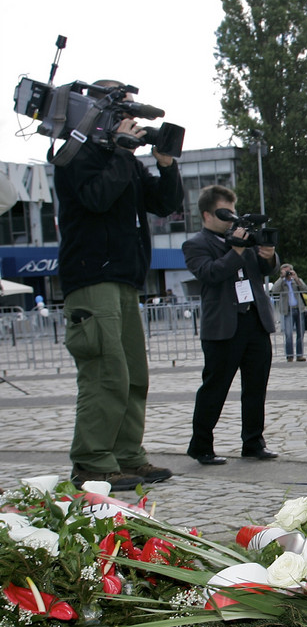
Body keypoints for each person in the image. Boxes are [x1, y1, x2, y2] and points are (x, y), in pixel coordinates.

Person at [55, 81, 182, 490]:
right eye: (124, 111)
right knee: (105, 372)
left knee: (132, 375)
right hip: (92, 277)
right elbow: (95, 198)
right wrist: (122, 150)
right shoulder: (76, 154)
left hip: (125, 279)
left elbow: (163, 203)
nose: (131, 119)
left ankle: (127, 456)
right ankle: (92, 461)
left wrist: (165, 163)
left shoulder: (123, 159)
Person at [182, 184, 280, 465]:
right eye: (225, 215)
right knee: (214, 389)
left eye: (234, 214)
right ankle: (201, 446)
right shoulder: (196, 244)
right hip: (224, 327)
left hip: (255, 322)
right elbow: (209, 273)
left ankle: (253, 442)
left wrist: (268, 256)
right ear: (207, 215)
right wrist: (235, 250)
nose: (232, 221)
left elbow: (265, 269)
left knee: (256, 388)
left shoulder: (243, 240)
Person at [270, 263, 307, 362]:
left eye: (288, 271)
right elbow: (274, 290)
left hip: (299, 309)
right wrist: (281, 278)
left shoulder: (296, 281)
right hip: (287, 311)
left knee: (300, 333)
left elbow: (305, 288)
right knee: (288, 334)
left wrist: (296, 278)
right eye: (285, 271)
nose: (287, 273)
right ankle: (290, 356)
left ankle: (299, 355)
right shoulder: (282, 283)